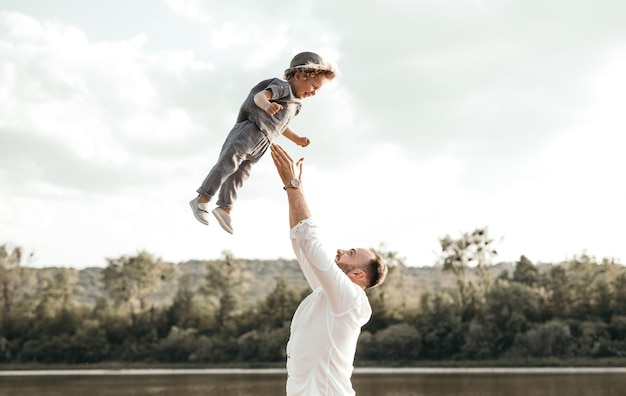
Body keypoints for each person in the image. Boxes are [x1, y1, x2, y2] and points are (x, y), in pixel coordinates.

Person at [269, 143, 388, 396]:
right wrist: (290, 188)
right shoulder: (328, 293)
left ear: (358, 275)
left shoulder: (351, 299)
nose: (341, 250)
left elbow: (311, 244)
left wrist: (294, 185)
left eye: (351, 254)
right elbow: (301, 242)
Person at [189, 52, 336, 234]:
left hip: (263, 142)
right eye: (314, 86)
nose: (314, 92)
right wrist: (267, 105)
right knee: (228, 164)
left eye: (317, 90)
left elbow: (281, 126)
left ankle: (224, 207)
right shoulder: (283, 88)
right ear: (299, 76)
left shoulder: (295, 105)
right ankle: (202, 198)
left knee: (240, 174)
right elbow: (260, 96)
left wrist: (297, 138)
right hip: (250, 131)